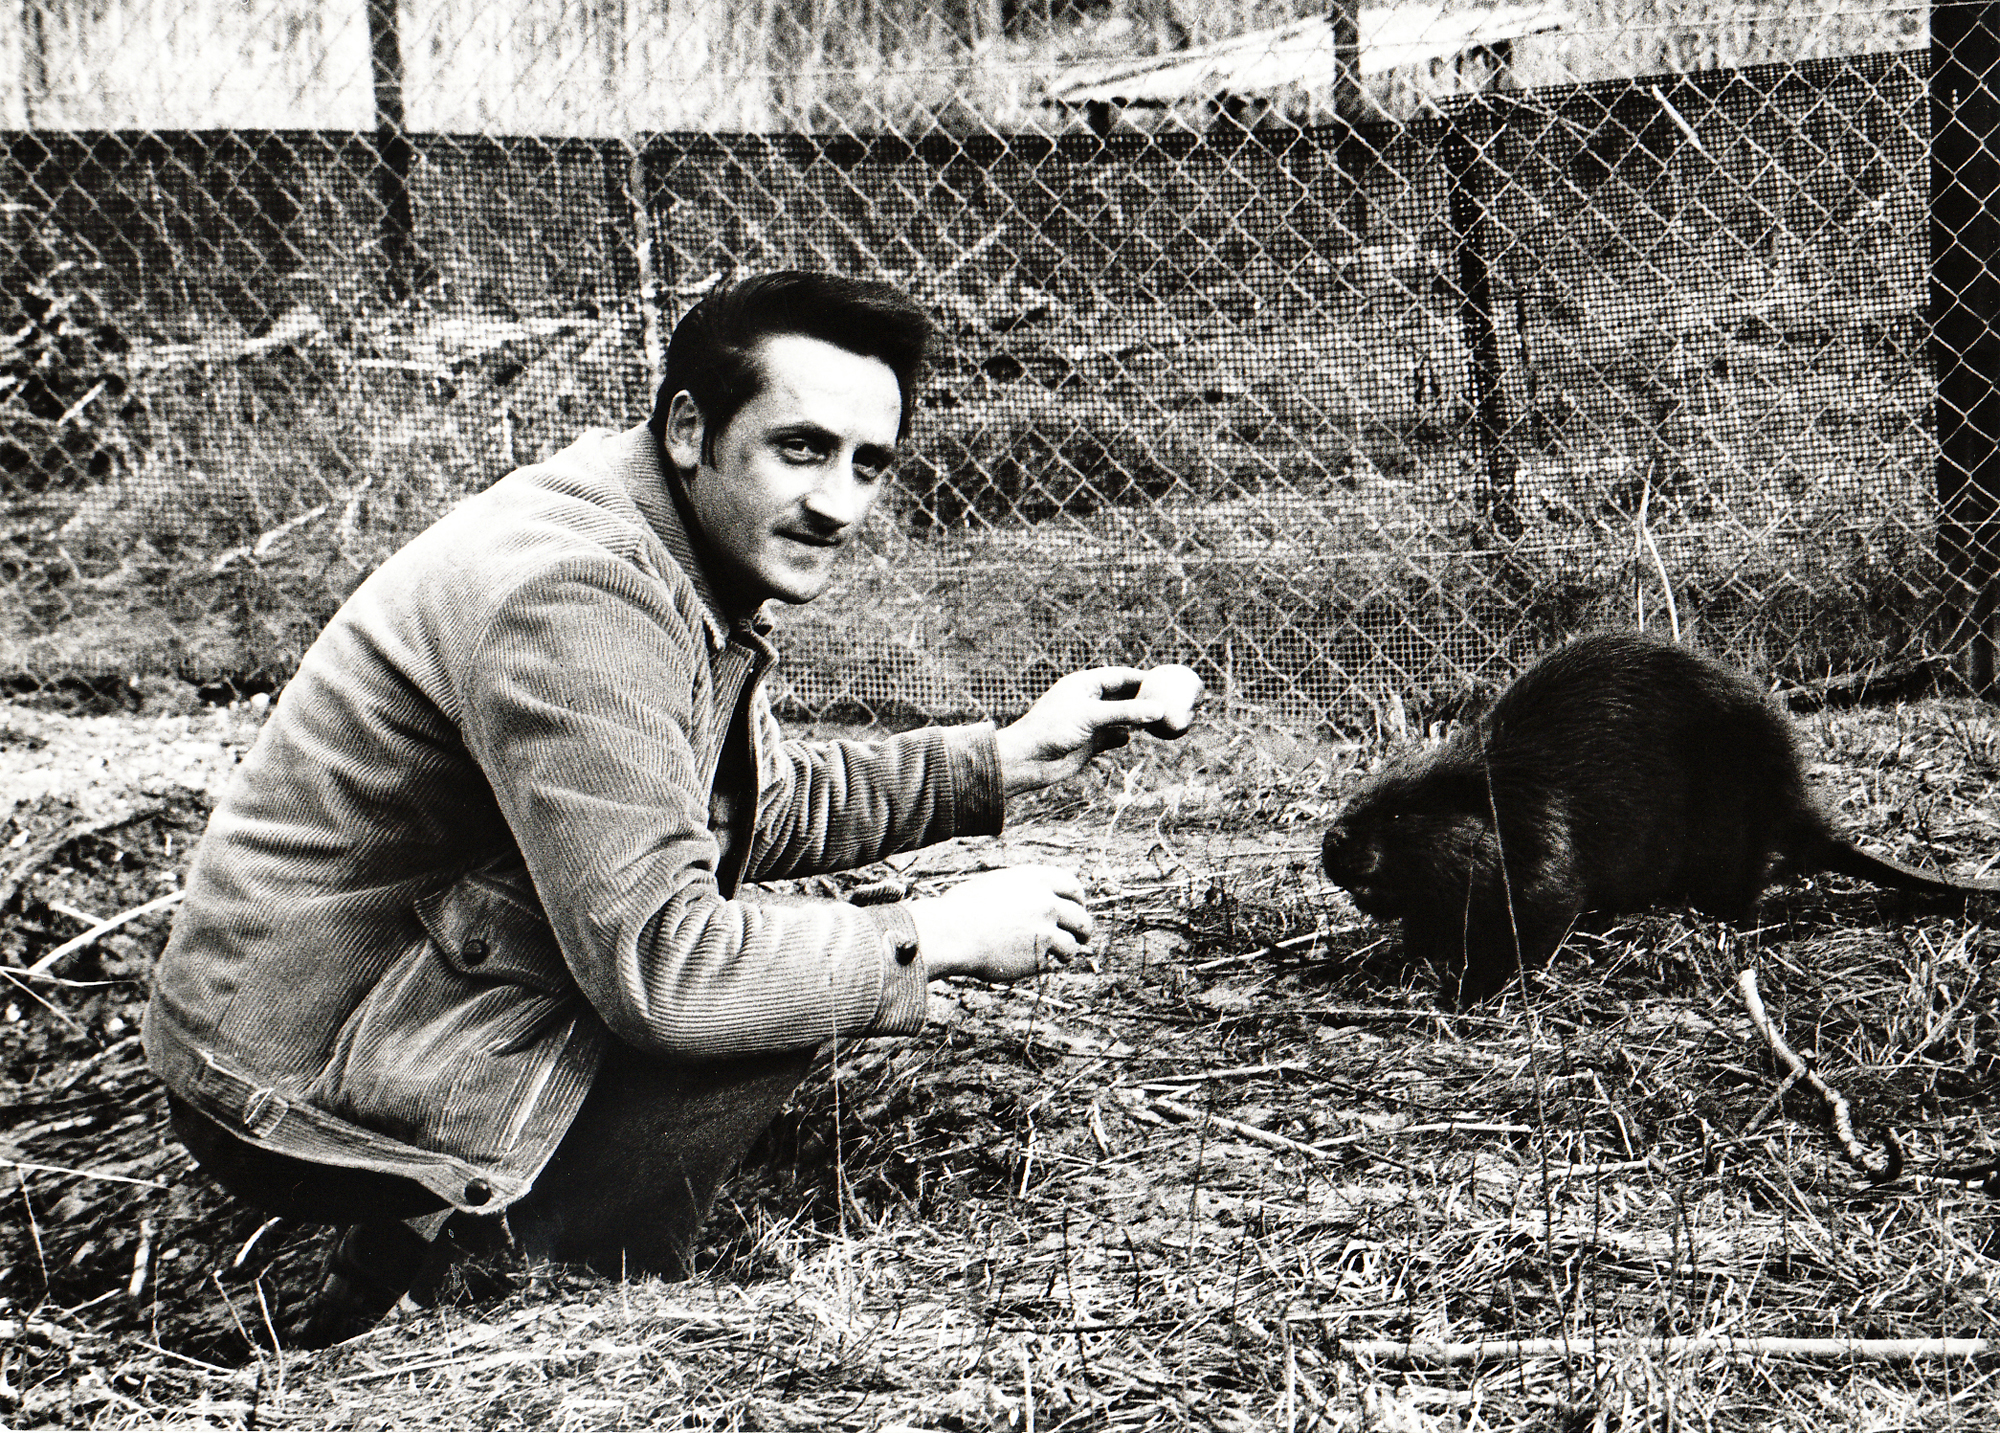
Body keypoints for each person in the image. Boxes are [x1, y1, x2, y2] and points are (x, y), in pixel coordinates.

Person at [144, 271, 1184, 1346]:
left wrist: (1001, 759)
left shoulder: (662, 542)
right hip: (289, 1075)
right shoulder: (582, 594)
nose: (838, 502)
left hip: (360, 1002)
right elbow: (670, 975)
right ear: (690, 426)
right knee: (749, 1002)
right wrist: (936, 935)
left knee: (752, 952)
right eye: (801, 448)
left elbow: (741, 808)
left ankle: (407, 1259)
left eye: (868, 462)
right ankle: (528, 1307)